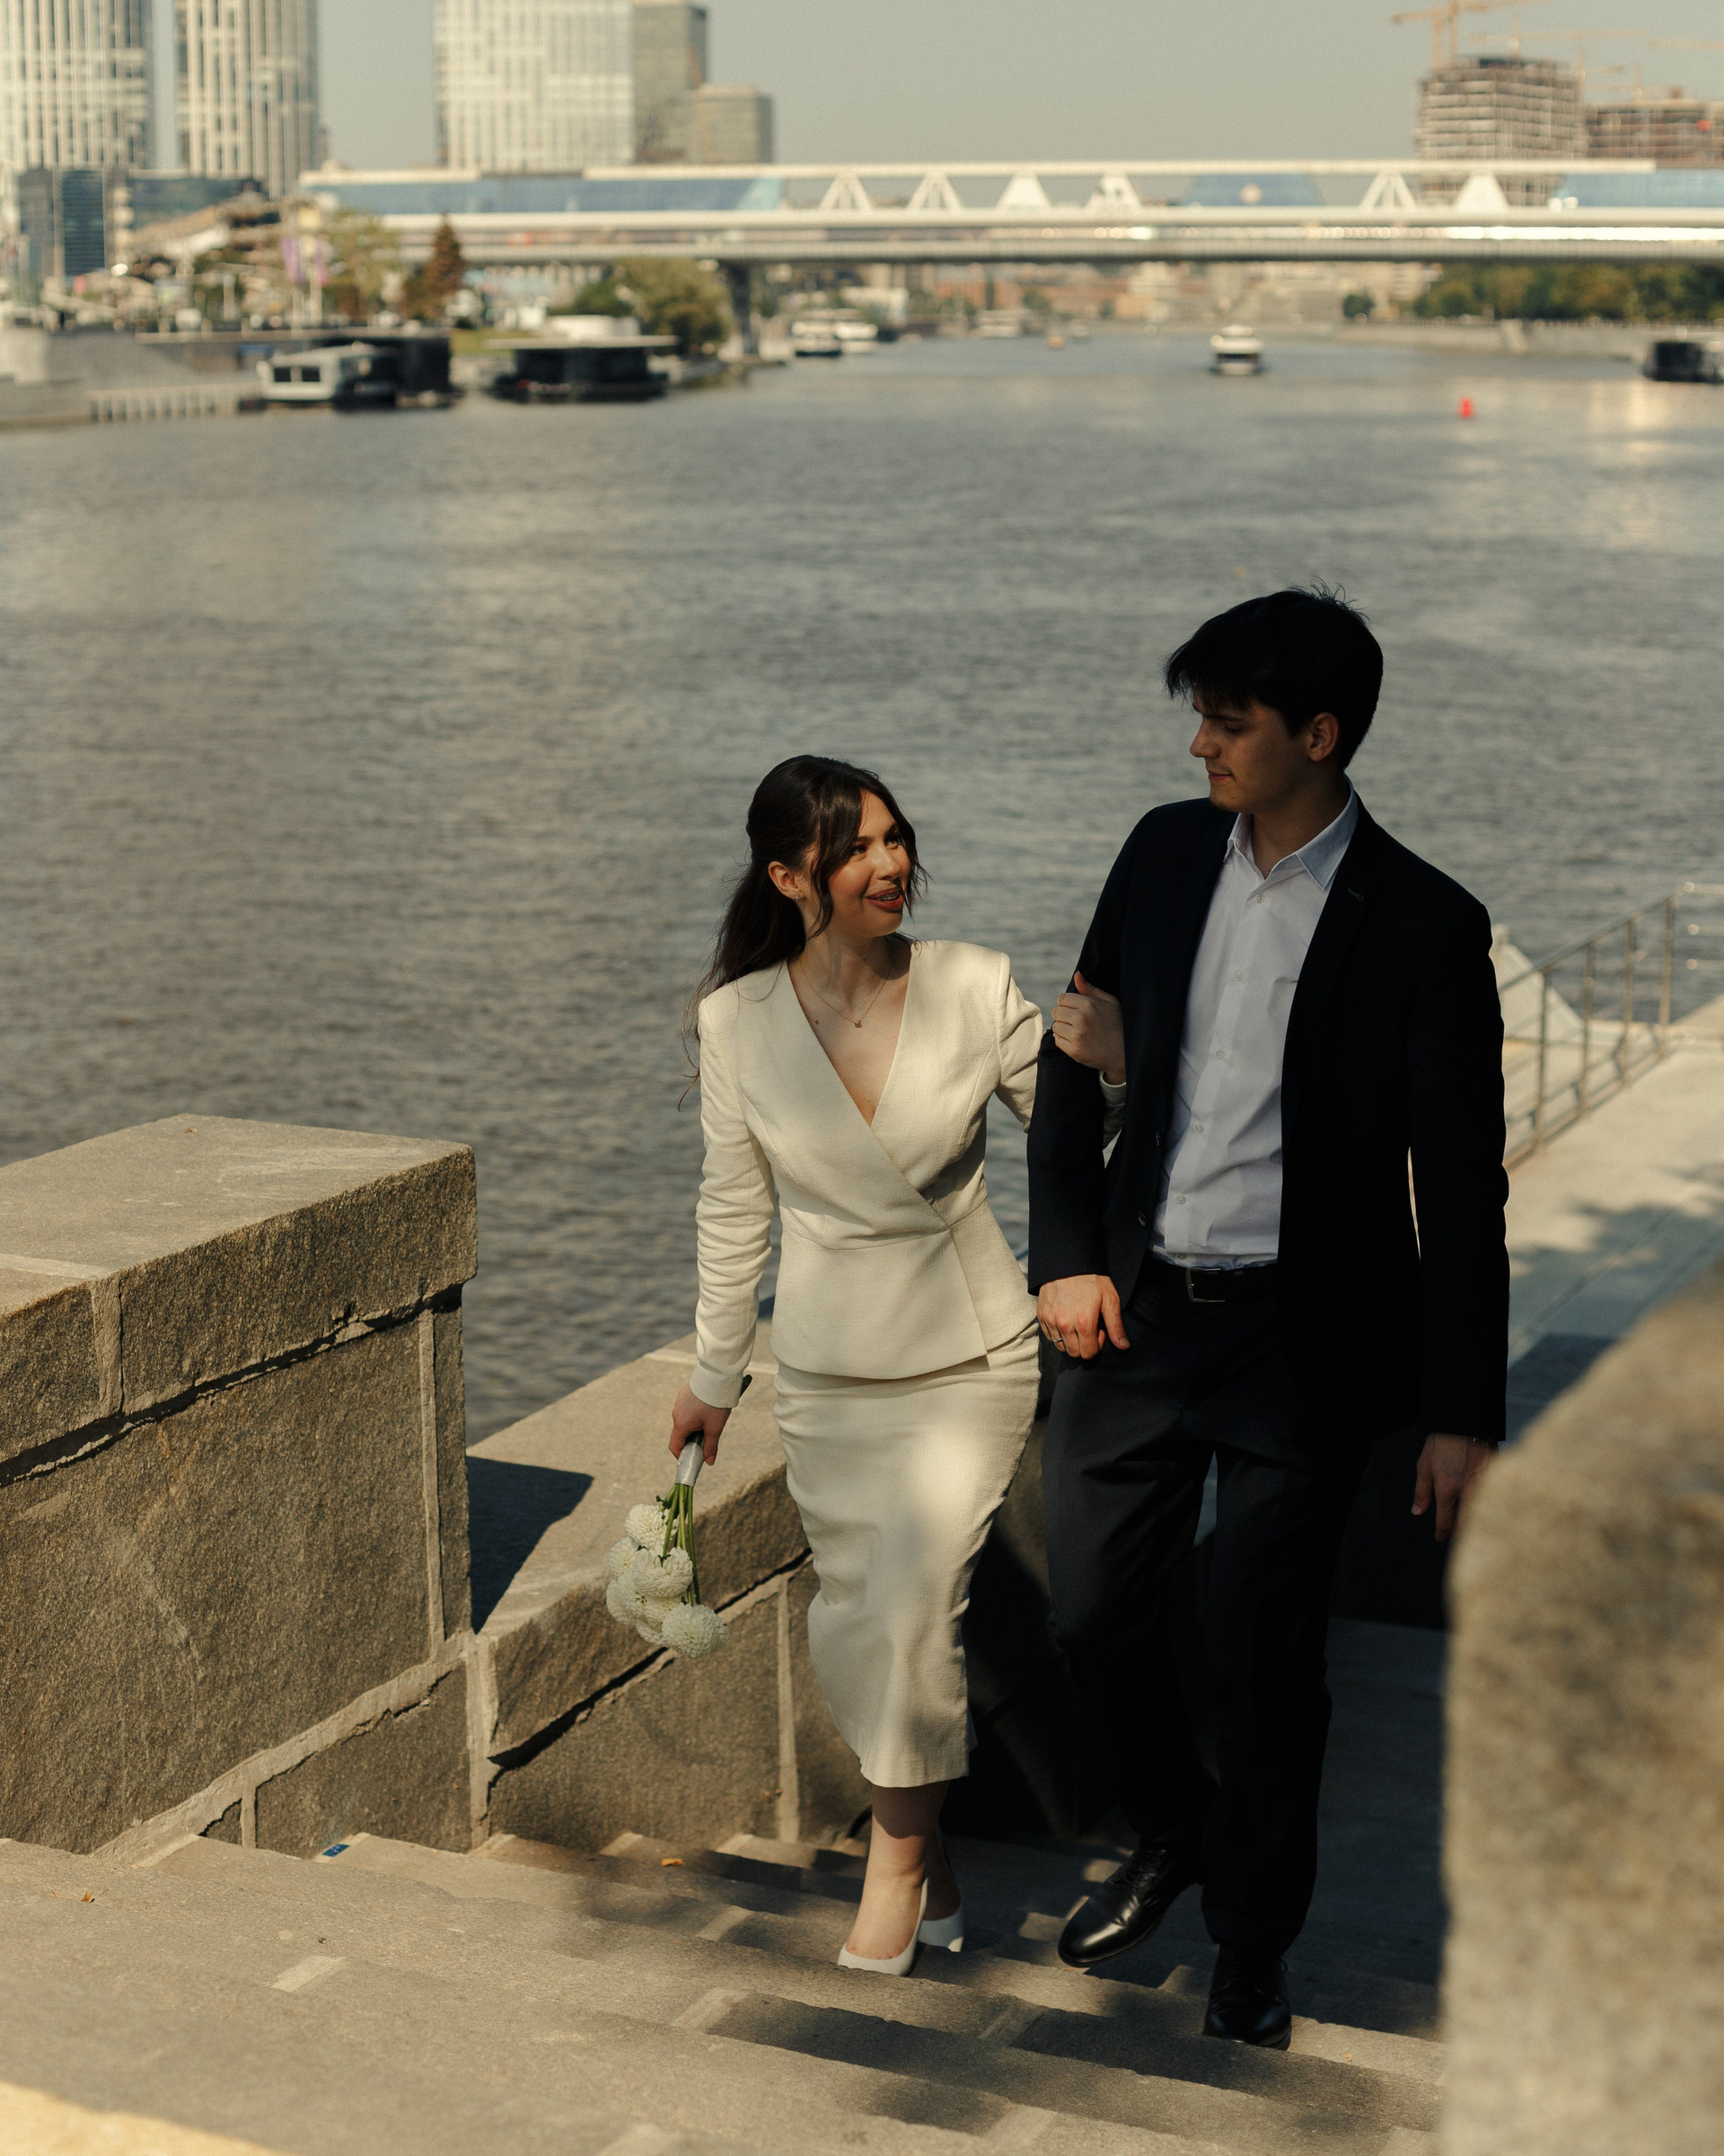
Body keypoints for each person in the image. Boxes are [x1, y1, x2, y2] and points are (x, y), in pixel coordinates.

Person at [1028, 585, 1508, 2048]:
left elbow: (1461, 1186)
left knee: (1263, 1654)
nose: (1200, 747)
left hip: (1304, 1350)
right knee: (1088, 1610)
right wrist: (1067, 1253)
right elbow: (1071, 1047)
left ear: (1320, 733)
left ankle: (1251, 1939)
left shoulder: (1426, 924)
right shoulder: (1163, 853)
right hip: (1141, 1312)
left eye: (1227, 724)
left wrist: (1462, 1412)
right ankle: (1175, 1827)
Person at [670, 753, 1061, 1976]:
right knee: (855, 1627)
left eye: (895, 838)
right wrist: (714, 1375)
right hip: (831, 1373)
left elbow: (1086, 1141)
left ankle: (889, 1874)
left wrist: (1109, 1061)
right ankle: (931, 1859)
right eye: (855, 849)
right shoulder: (736, 1022)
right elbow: (734, 1210)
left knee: (912, 1611)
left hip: (970, 1355)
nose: (890, 865)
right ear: (790, 877)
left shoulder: (974, 985)